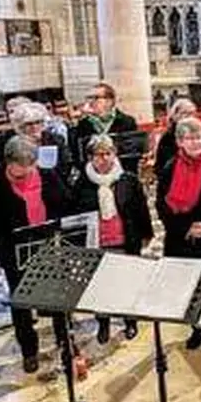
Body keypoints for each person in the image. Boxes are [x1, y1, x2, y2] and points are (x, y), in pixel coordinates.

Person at [0, 136, 73, 373]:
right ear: (8, 162)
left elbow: (66, 204)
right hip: (16, 254)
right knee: (21, 304)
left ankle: (65, 341)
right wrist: (16, 238)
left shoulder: (48, 176)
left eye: (30, 166)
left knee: (58, 298)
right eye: (20, 168)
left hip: (50, 247)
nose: (26, 171)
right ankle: (29, 351)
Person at [156, 116, 201, 350]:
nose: (195, 142)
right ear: (180, 142)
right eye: (189, 138)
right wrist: (186, 227)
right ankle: (196, 328)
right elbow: (162, 204)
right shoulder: (170, 167)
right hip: (182, 238)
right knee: (189, 288)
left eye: (199, 137)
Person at [74, 134, 155, 345]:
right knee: (100, 288)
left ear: (115, 154)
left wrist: (146, 233)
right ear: (90, 157)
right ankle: (103, 323)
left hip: (125, 239)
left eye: (107, 153)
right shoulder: (82, 183)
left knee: (127, 284)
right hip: (97, 243)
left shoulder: (128, 179)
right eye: (98, 155)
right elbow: (77, 214)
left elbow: (141, 209)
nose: (103, 159)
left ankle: (130, 321)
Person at [76, 82, 139, 154]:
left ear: (109, 101)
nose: (91, 102)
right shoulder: (84, 123)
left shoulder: (127, 122)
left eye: (96, 98)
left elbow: (132, 151)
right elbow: (78, 151)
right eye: (89, 98)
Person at [154, 98, 197, 174]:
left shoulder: (200, 132)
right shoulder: (168, 137)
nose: (191, 117)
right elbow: (163, 165)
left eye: (193, 113)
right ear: (175, 115)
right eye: (186, 113)